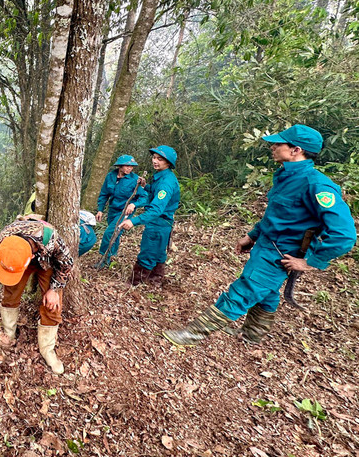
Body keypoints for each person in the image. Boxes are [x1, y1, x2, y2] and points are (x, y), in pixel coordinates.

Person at [164, 125, 356, 345]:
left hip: (280, 255)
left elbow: (344, 234)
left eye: (278, 144)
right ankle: (252, 335)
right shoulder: (285, 175)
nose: (273, 147)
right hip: (266, 245)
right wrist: (252, 235)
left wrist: (310, 262)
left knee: (244, 290)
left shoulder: (316, 185)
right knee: (267, 292)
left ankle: (192, 334)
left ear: (296, 150)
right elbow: (278, 214)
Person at [0, 216, 74, 374]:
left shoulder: (52, 239)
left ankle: (47, 349)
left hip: (46, 261)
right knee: (10, 292)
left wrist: (54, 289)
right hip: (17, 259)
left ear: (31, 258)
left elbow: (67, 264)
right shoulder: (1, 243)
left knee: (53, 303)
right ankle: (9, 335)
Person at [119, 146, 181, 285]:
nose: (155, 161)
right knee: (159, 253)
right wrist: (145, 186)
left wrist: (133, 221)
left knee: (148, 252)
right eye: (154, 158)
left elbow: (156, 210)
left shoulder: (166, 183)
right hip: (163, 223)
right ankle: (155, 281)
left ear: (168, 163)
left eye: (160, 159)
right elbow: (154, 193)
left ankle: (134, 284)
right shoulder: (162, 177)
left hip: (158, 223)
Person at [94, 155, 148, 268]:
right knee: (116, 234)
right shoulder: (111, 177)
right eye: (127, 166)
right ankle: (112, 256)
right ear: (120, 166)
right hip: (113, 210)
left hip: (125, 212)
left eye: (132, 166)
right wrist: (100, 210)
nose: (130, 168)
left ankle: (104, 259)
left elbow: (144, 197)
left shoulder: (135, 180)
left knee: (110, 232)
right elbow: (104, 194)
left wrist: (134, 204)